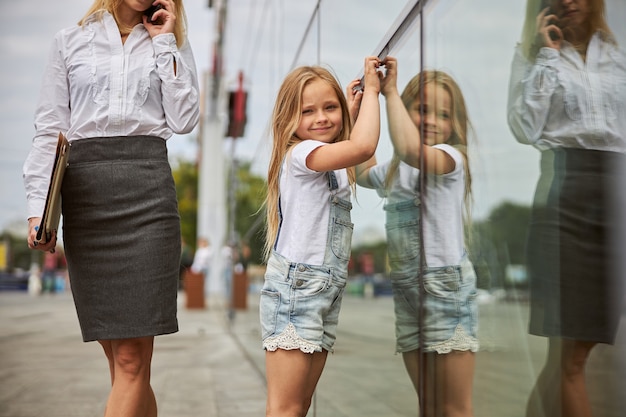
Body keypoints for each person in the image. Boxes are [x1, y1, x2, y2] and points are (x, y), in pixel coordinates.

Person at [23, 0, 199, 416]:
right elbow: (50, 129)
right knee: (122, 363)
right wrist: (39, 208)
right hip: (87, 199)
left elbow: (185, 118)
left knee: (130, 361)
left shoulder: (172, 42)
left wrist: (165, 43)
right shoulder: (69, 42)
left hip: (148, 196)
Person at [507, 1, 626, 416]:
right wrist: (547, 54)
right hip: (565, 192)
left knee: (574, 353)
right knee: (570, 355)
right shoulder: (533, 55)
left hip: (617, 196)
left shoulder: (618, 54)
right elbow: (524, 127)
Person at [356, 59, 479, 417]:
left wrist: (389, 91)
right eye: (421, 109)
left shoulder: (450, 159)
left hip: (445, 290)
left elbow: (413, 150)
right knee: (428, 406)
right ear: (405, 111)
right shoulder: (395, 171)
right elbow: (362, 167)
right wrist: (367, 102)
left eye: (442, 114)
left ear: (454, 126)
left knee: (454, 409)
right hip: (408, 293)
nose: (430, 120)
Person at [260, 57, 382, 417]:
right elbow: (362, 148)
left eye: (330, 107)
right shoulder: (301, 154)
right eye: (307, 111)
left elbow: (363, 162)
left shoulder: (334, 162)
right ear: (289, 120)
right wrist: (373, 90)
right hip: (297, 289)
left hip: (325, 291)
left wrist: (355, 111)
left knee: (299, 406)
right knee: (285, 409)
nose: (321, 118)